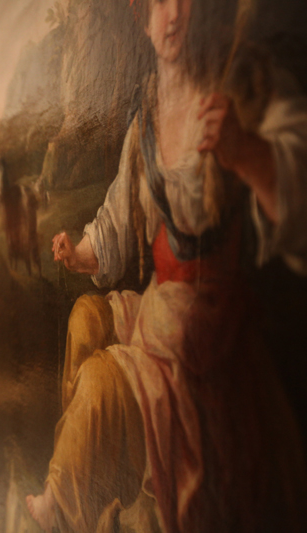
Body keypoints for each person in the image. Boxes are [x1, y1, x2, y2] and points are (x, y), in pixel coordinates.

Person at [26, 0, 307, 531]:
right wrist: (80, 253)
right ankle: (87, 478)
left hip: (205, 321)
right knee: (86, 318)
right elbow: (120, 211)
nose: (172, 14)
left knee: (102, 381)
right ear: (142, 16)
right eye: (158, 2)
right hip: (161, 306)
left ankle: (66, 503)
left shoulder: (241, 87)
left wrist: (246, 151)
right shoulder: (150, 112)